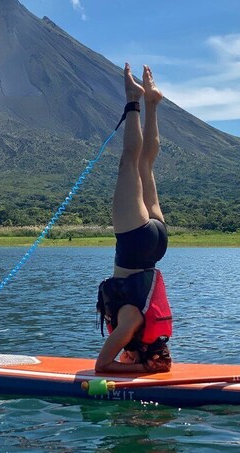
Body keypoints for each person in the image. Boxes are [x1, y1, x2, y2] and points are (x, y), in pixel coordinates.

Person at [95, 63, 173, 374]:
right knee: (129, 163)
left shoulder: (151, 330)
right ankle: (134, 100)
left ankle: (152, 104)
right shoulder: (129, 326)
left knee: (146, 165)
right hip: (135, 243)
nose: (122, 356)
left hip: (158, 243)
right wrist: (141, 370)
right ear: (137, 353)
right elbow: (102, 365)